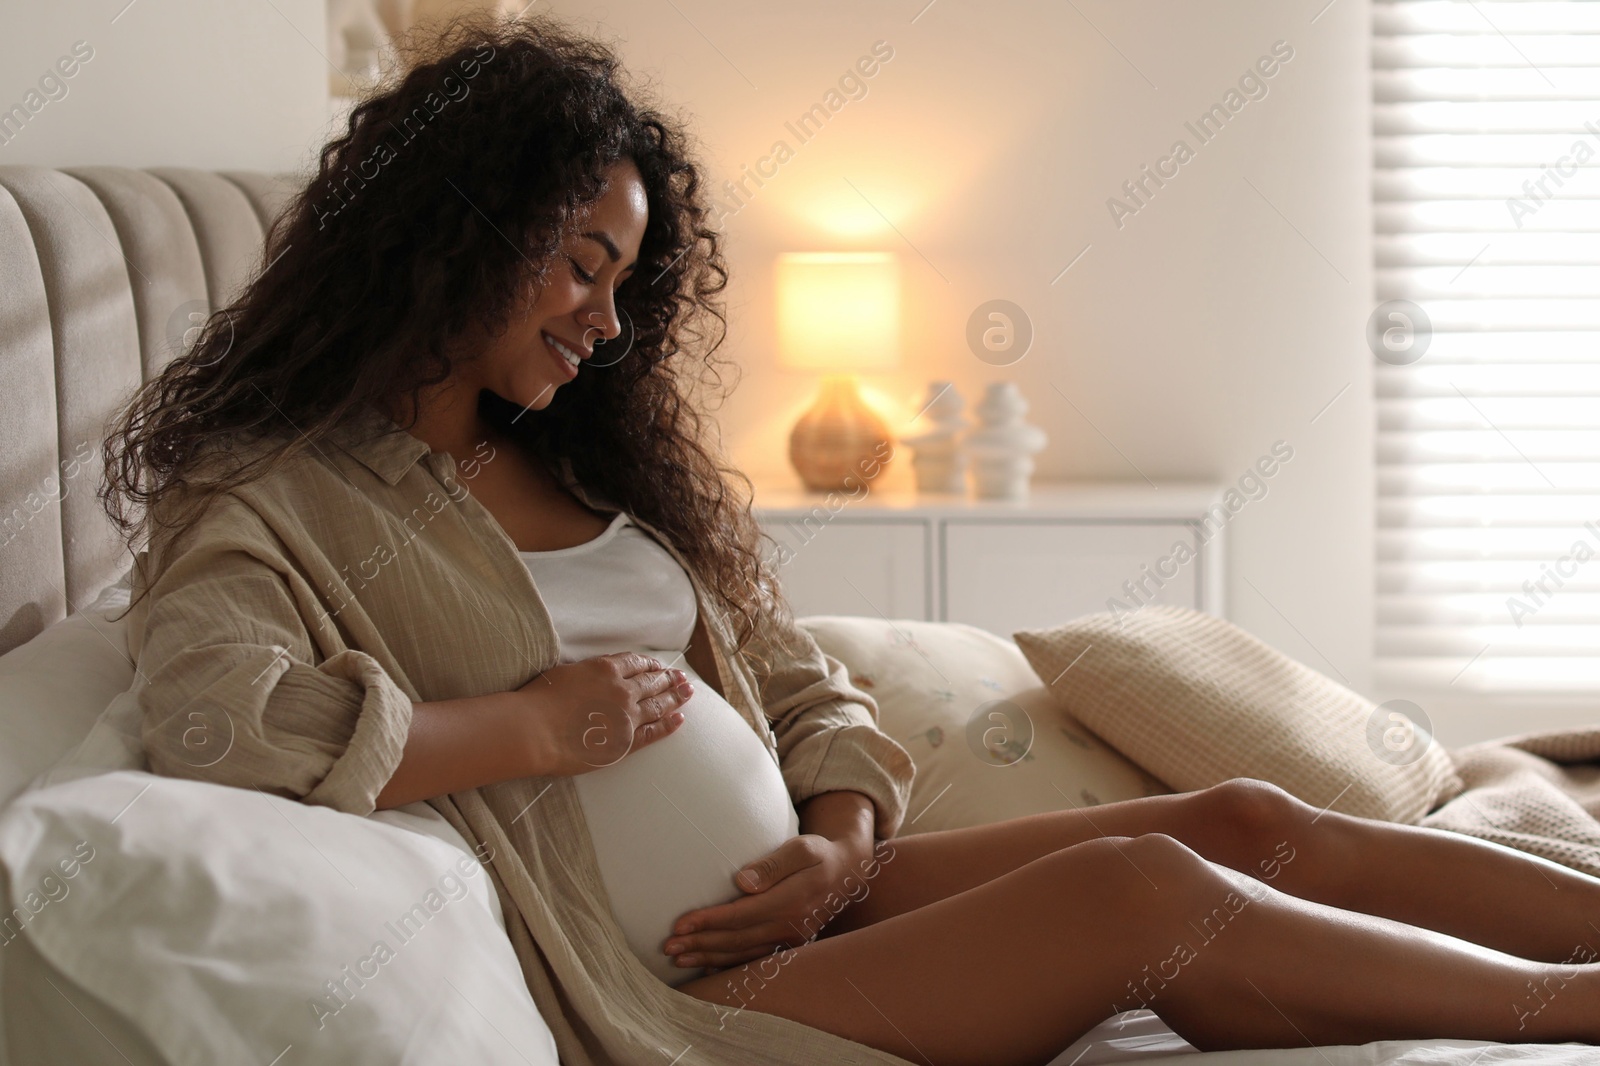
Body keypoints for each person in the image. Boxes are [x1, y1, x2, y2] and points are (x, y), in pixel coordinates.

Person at [102, 13, 1600, 1066]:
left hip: (820, 904)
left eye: (624, 279)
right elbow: (208, 712)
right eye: (579, 263)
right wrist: (523, 725)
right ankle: (1563, 1006)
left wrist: (840, 836)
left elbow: (807, 684)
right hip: (691, 995)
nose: (607, 320)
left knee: (1239, 817)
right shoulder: (275, 493)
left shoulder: (574, 462)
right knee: (1142, 893)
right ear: (455, 230)